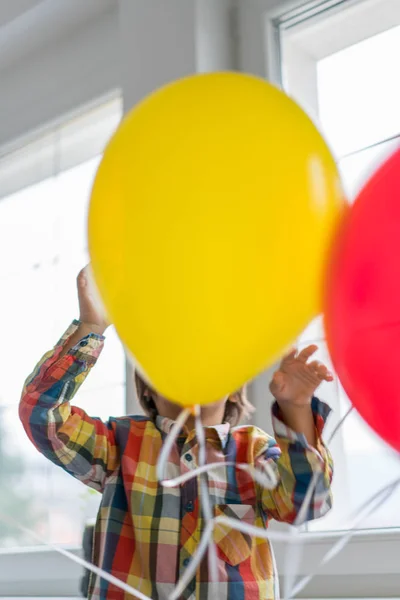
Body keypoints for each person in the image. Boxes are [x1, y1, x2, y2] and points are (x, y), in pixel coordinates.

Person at [20, 266, 334, 600]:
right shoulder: (117, 445)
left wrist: (296, 408)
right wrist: (91, 328)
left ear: (233, 389)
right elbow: (41, 413)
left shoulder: (253, 451)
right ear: (148, 390)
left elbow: (307, 504)